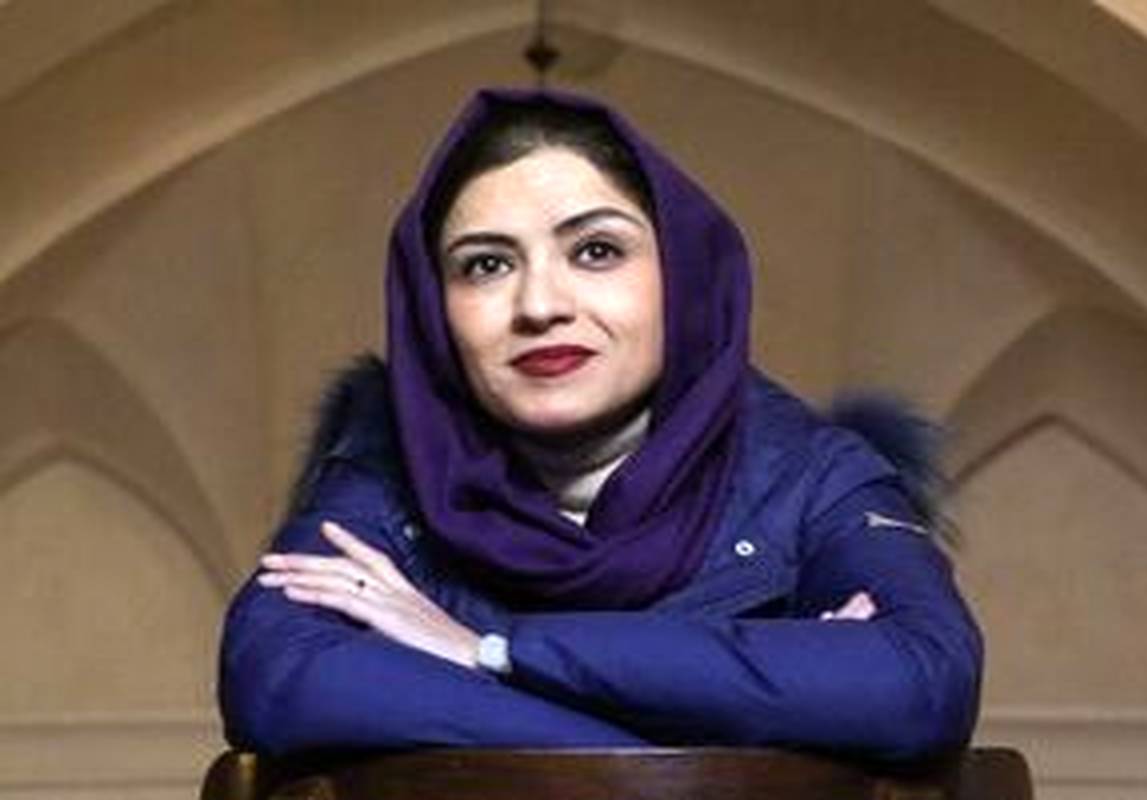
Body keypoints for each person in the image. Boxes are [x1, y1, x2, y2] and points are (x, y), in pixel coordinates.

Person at [219, 88, 983, 759]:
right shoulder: (385, 479)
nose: (540, 305)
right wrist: (717, 753)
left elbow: (922, 683)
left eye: (595, 250)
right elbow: (275, 679)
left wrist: (492, 653)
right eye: (486, 265)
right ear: (432, 310)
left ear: (683, 278)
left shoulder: (811, 477)